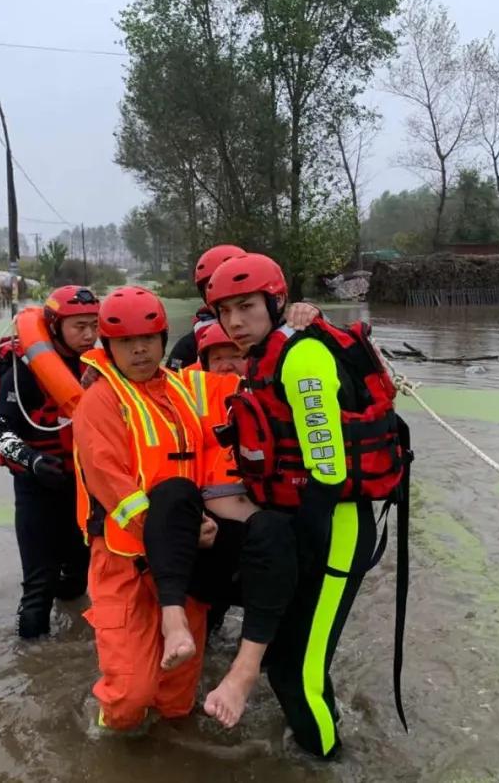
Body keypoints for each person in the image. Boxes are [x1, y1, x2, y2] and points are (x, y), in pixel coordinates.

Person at [205, 254, 412, 758]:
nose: (234, 321)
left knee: (296, 671)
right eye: (224, 310)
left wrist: (300, 554)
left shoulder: (301, 359)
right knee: (288, 662)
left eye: (246, 307)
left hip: (335, 527)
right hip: (307, 522)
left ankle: (328, 763)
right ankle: (320, 736)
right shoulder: (262, 356)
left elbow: (329, 469)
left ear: (274, 303)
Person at [72, 286, 215, 731]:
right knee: (130, 695)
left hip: (186, 556)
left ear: (164, 338)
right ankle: (106, 743)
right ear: (107, 346)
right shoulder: (99, 401)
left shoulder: (181, 388)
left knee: (177, 697)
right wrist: (174, 535)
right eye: (126, 342)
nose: (139, 350)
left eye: (148, 339)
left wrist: (297, 324)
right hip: (124, 560)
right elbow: (115, 488)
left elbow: (210, 452)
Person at [183, 323, 299, 730]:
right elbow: (128, 365)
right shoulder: (186, 390)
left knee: (272, 560)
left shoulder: (276, 387)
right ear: (204, 362)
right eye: (218, 357)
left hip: (261, 534)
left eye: (235, 354)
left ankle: (249, 667)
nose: (228, 363)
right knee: (208, 620)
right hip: (212, 531)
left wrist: (309, 319)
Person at [0, 285, 100, 639]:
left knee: (78, 579)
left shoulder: (101, 366)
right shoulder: (21, 372)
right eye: (78, 326)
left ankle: (66, 655)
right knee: (38, 592)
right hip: (37, 488)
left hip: (82, 489)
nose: (89, 335)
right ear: (54, 326)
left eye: (93, 325)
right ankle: (30, 669)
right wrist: (33, 460)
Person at [166, 243, 321, 370]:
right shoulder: (190, 343)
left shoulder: (295, 323)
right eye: (214, 285)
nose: (235, 322)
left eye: (245, 306)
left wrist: (313, 316)